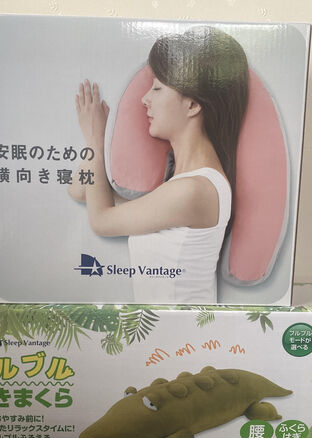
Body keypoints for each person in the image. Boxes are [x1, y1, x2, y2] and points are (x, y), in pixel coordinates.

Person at [68, 26, 249, 303]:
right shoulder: (179, 185)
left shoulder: (194, 190)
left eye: (157, 88)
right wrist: (104, 140)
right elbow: (80, 190)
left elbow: (101, 220)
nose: (144, 99)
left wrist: (94, 138)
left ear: (192, 105)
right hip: (163, 328)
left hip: (183, 329)